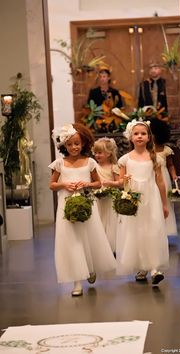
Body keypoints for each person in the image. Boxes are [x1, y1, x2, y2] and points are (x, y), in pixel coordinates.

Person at [48, 123, 116, 297]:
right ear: (63, 146)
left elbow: (98, 183)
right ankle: (77, 281)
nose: (74, 147)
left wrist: (86, 184)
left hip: (87, 204)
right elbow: (52, 185)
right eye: (69, 144)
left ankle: (90, 267)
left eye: (77, 143)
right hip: (67, 206)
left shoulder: (90, 162)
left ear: (83, 143)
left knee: (88, 237)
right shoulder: (59, 163)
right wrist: (64, 184)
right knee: (72, 240)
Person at [116, 120, 169, 286]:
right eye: (136, 133)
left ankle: (154, 268)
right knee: (136, 232)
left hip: (151, 199)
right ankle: (142, 267)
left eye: (143, 134)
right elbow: (120, 181)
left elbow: (160, 182)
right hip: (134, 200)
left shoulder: (155, 157)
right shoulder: (125, 159)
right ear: (130, 137)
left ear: (148, 138)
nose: (139, 136)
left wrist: (164, 203)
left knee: (152, 231)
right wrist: (123, 181)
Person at [150, 118, 178, 236]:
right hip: (151, 176)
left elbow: (171, 165)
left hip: (164, 177)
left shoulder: (166, 150)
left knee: (163, 200)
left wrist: (174, 176)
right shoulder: (148, 150)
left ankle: (165, 229)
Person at [92, 137, 120, 253]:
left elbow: (119, 183)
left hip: (110, 199)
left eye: (100, 152)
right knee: (99, 220)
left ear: (109, 154)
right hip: (97, 199)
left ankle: (111, 247)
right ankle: (100, 246)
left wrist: (110, 183)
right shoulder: (94, 167)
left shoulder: (114, 167)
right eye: (95, 152)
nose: (97, 155)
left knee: (111, 222)